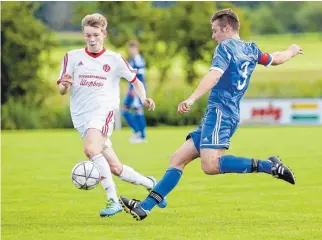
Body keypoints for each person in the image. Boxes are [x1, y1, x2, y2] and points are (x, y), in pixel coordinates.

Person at [119, 8, 303, 221]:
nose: (213, 35)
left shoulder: (225, 48)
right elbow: (276, 58)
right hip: (221, 114)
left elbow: (214, 76)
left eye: (215, 30)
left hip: (220, 113)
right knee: (178, 159)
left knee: (210, 165)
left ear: (226, 28)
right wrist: (291, 50)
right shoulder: (251, 49)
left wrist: (191, 98)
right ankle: (145, 207)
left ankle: (270, 166)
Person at [57, 13, 167, 218]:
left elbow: (136, 80)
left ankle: (113, 200)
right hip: (81, 117)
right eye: (88, 35)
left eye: (96, 35)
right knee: (115, 167)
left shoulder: (114, 59)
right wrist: (64, 86)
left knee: (90, 149)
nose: (92, 39)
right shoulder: (71, 57)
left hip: (103, 112)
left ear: (104, 34)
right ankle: (152, 184)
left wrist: (143, 98)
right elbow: (62, 90)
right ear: (83, 35)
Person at [122, 40, 148, 144]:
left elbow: (140, 76)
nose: (131, 51)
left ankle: (140, 134)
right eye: (130, 49)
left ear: (137, 49)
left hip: (136, 89)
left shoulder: (138, 60)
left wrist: (134, 89)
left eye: (133, 49)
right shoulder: (133, 60)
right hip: (132, 88)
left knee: (135, 110)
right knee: (127, 110)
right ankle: (140, 134)